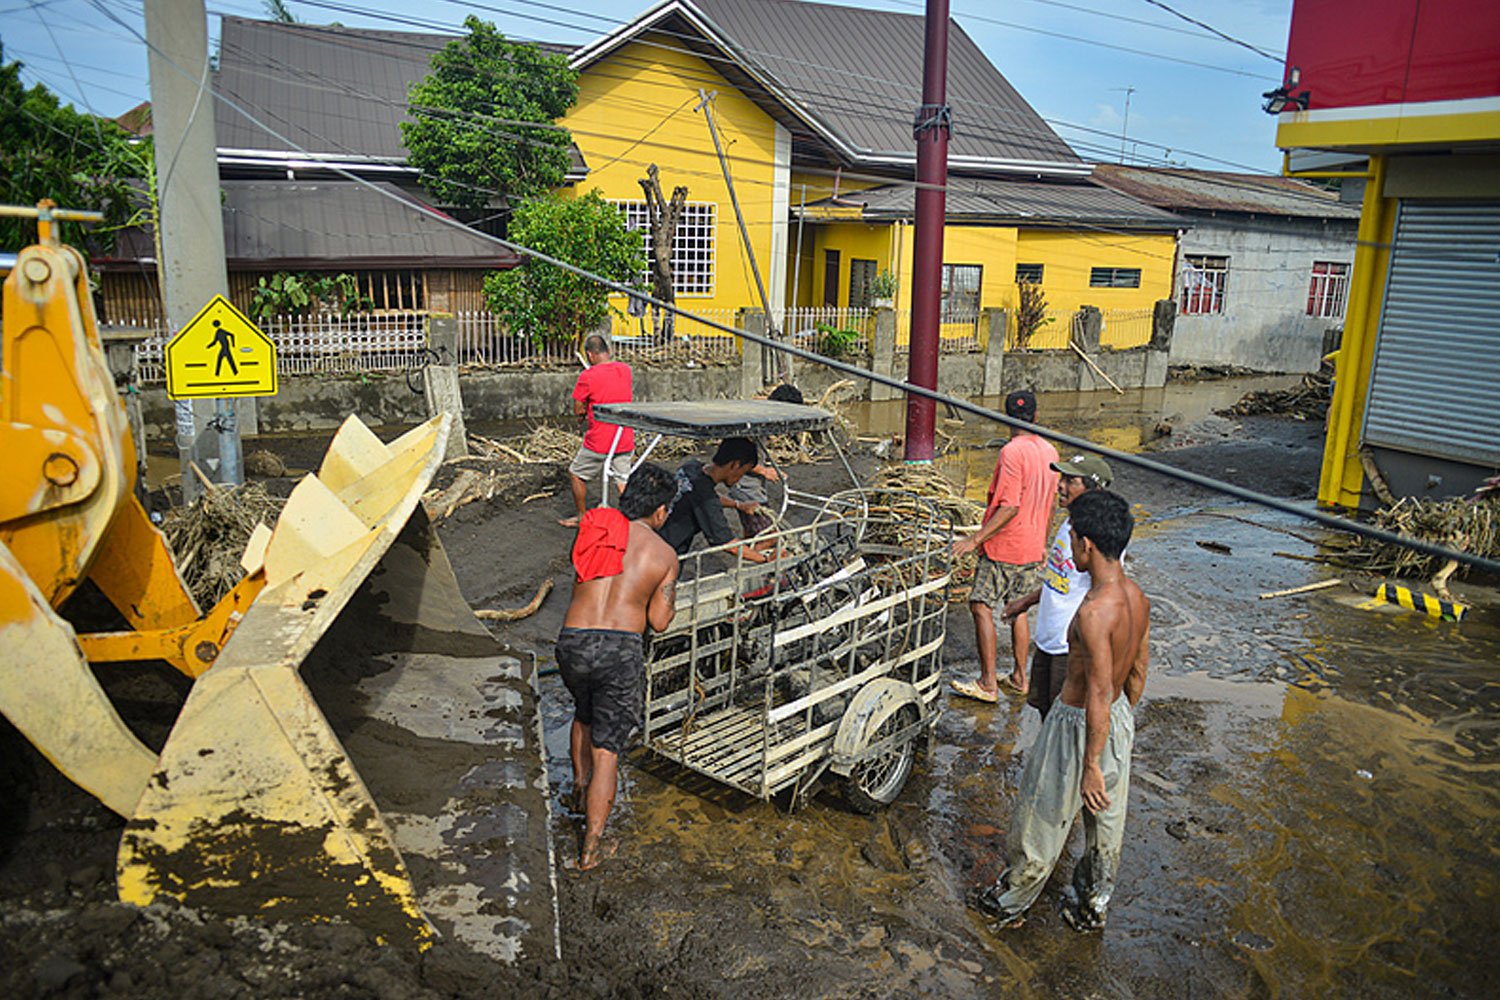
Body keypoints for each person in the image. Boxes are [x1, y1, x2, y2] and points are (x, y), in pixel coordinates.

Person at [970, 489, 1150, 932]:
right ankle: (1090, 907)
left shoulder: (1093, 613)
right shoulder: (1137, 597)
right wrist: (1115, 735)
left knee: (1042, 816)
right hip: (1118, 719)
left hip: (1079, 722)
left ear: (1086, 544)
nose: (1070, 548)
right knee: (1105, 824)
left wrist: (1089, 761)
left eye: (1072, 540)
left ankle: (1009, 904)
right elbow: (1138, 672)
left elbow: (1098, 691)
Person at [555, 463, 680, 870]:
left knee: (582, 714)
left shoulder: (592, 529)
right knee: (607, 751)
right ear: (661, 511)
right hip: (619, 650)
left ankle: (577, 789)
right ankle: (591, 848)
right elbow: (659, 622)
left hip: (572, 641)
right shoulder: (663, 554)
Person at [950, 391, 1059, 703]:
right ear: (1036, 417)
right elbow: (1050, 505)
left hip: (1005, 546)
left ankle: (987, 683)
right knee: (1018, 608)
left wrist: (974, 540)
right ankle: (1020, 677)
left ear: (1006, 418)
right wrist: (1043, 544)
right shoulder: (1050, 450)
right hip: (1032, 545)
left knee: (980, 605)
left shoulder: (1012, 452)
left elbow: (1009, 506)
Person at [998, 453, 1114, 716]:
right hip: (1048, 640)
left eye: (1071, 481)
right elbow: (1061, 580)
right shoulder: (1068, 524)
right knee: (1044, 709)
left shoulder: (1098, 535)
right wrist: (1024, 602)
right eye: (1062, 479)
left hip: (1070, 647)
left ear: (1093, 490)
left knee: (1066, 718)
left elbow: (1107, 590)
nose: (1060, 485)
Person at [659, 437, 774, 564]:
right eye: (743, 472)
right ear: (734, 465)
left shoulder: (691, 467)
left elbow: (705, 496)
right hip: (664, 554)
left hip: (652, 536)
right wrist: (765, 559)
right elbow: (727, 543)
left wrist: (740, 505)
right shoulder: (706, 499)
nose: (740, 478)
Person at [561, 335, 634, 528]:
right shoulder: (625, 370)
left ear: (590, 355)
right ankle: (637, 518)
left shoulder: (587, 376)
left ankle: (582, 516)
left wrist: (582, 412)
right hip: (624, 436)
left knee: (576, 473)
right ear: (608, 351)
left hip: (600, 440)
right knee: (622, 479)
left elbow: (578, 408)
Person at [725, 384, 802, 542]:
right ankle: (753, 560)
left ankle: (747, 561)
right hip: (745, 486)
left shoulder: (760, 415)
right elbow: (736, 457)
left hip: (751, 484)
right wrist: (764, 471)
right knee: (770, 537)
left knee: (751, 531)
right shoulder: (752, 424)